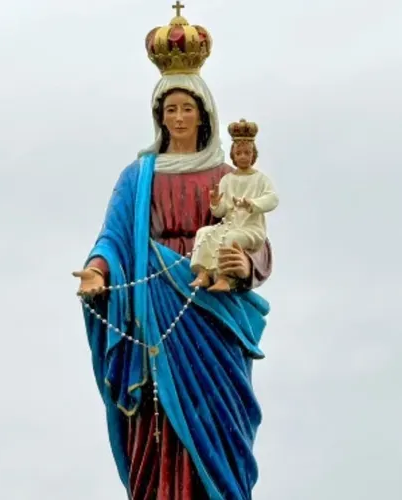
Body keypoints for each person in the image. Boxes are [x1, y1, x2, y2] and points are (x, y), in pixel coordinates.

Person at [71, 8, 271, 499]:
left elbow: (256, 236)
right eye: (169, 110)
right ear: (159, 116)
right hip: (152, 310)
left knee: (217, 417)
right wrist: (97, 273)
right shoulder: (138, 177)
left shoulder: (229, 176)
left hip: (213, 310)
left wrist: (244, 265)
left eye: (187, 109)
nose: (178, 118)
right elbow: (113, 238)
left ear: (204, 113)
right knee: (159, 417)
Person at [190, 119, 278, 292]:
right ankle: (204, 273)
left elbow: (272, 199)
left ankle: (225, 278)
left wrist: (252, 204)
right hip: (230, 225)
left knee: (231, 240)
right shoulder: (227, 180)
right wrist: (216, 203)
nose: (243, 156)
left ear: (253, 155)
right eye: (240, 153)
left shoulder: (260, 180)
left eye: (247, 153)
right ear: (234, 156)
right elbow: (222, 210)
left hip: (250, 228)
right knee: (204, 233)